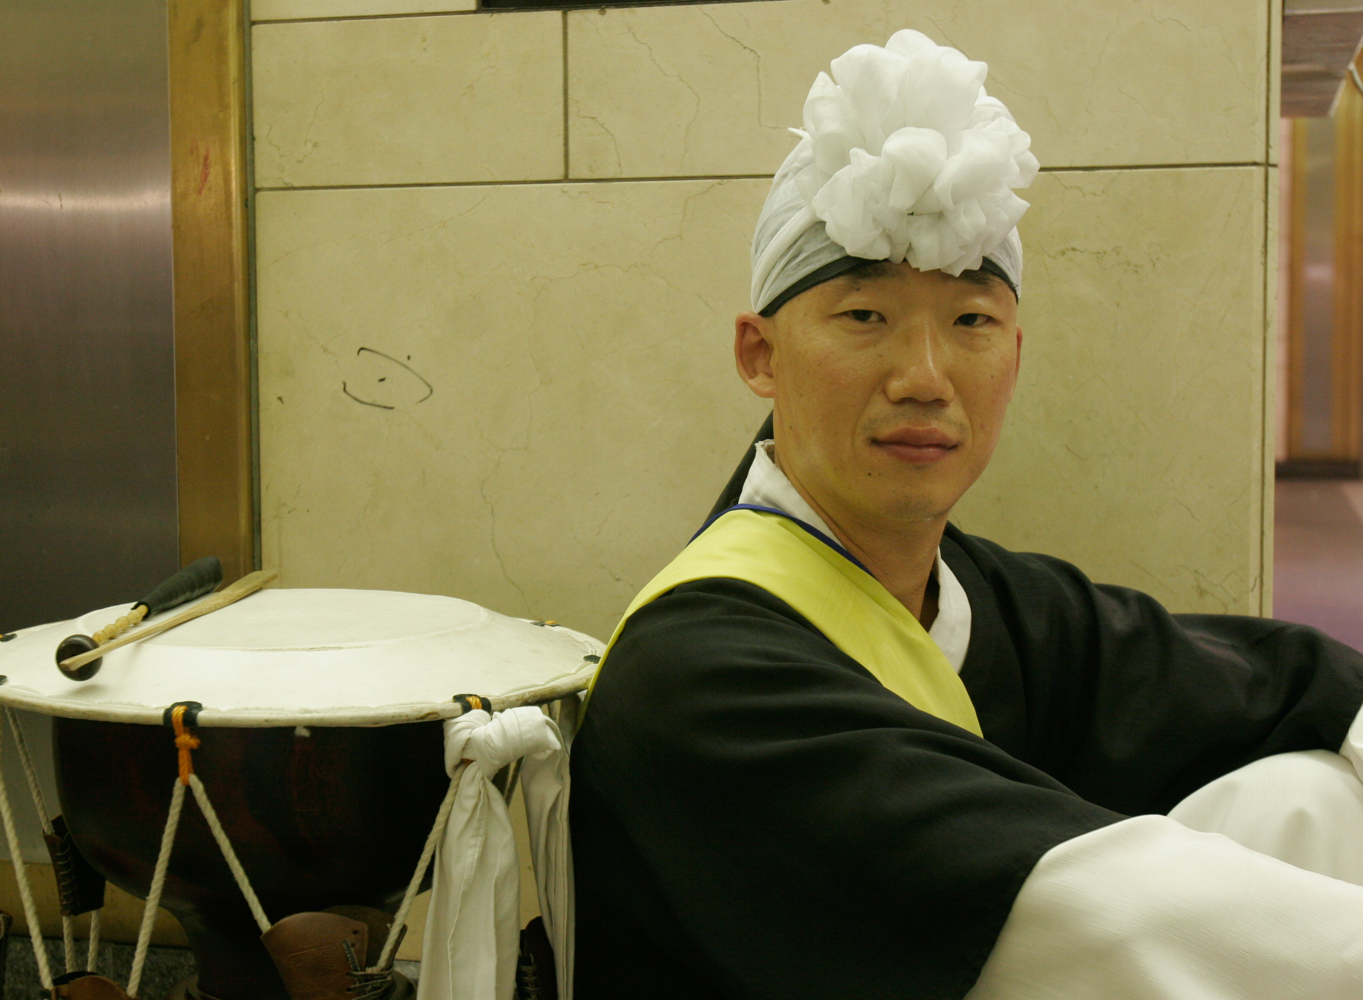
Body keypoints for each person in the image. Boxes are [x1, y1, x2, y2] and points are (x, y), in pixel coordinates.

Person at [569, 30, 1363, 1000]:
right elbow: (1105, 917)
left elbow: (1267, 681)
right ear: (759, 353)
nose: (924, 377)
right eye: (866, 317)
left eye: (970, 322)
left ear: (1015, 359)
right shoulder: (698, 676)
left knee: (1314, 793)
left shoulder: (974, 594)